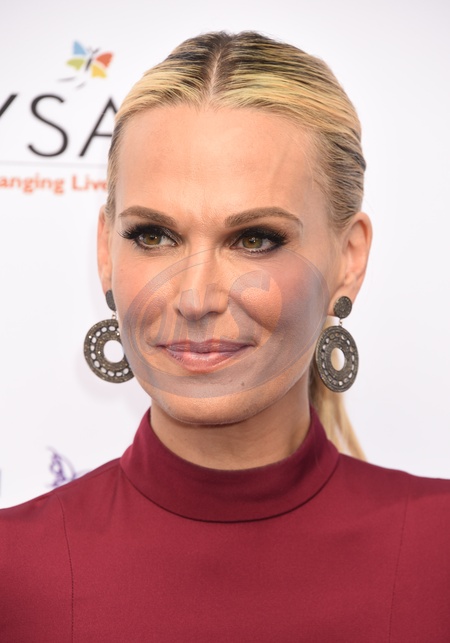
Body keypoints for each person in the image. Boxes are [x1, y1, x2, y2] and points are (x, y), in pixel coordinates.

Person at [1, 31, 449, 642]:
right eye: (153, 235)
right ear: (106, 251)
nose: (195, 298)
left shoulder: (437, 554)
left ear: (348, 259)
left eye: (255, 239)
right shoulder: (15, 571)